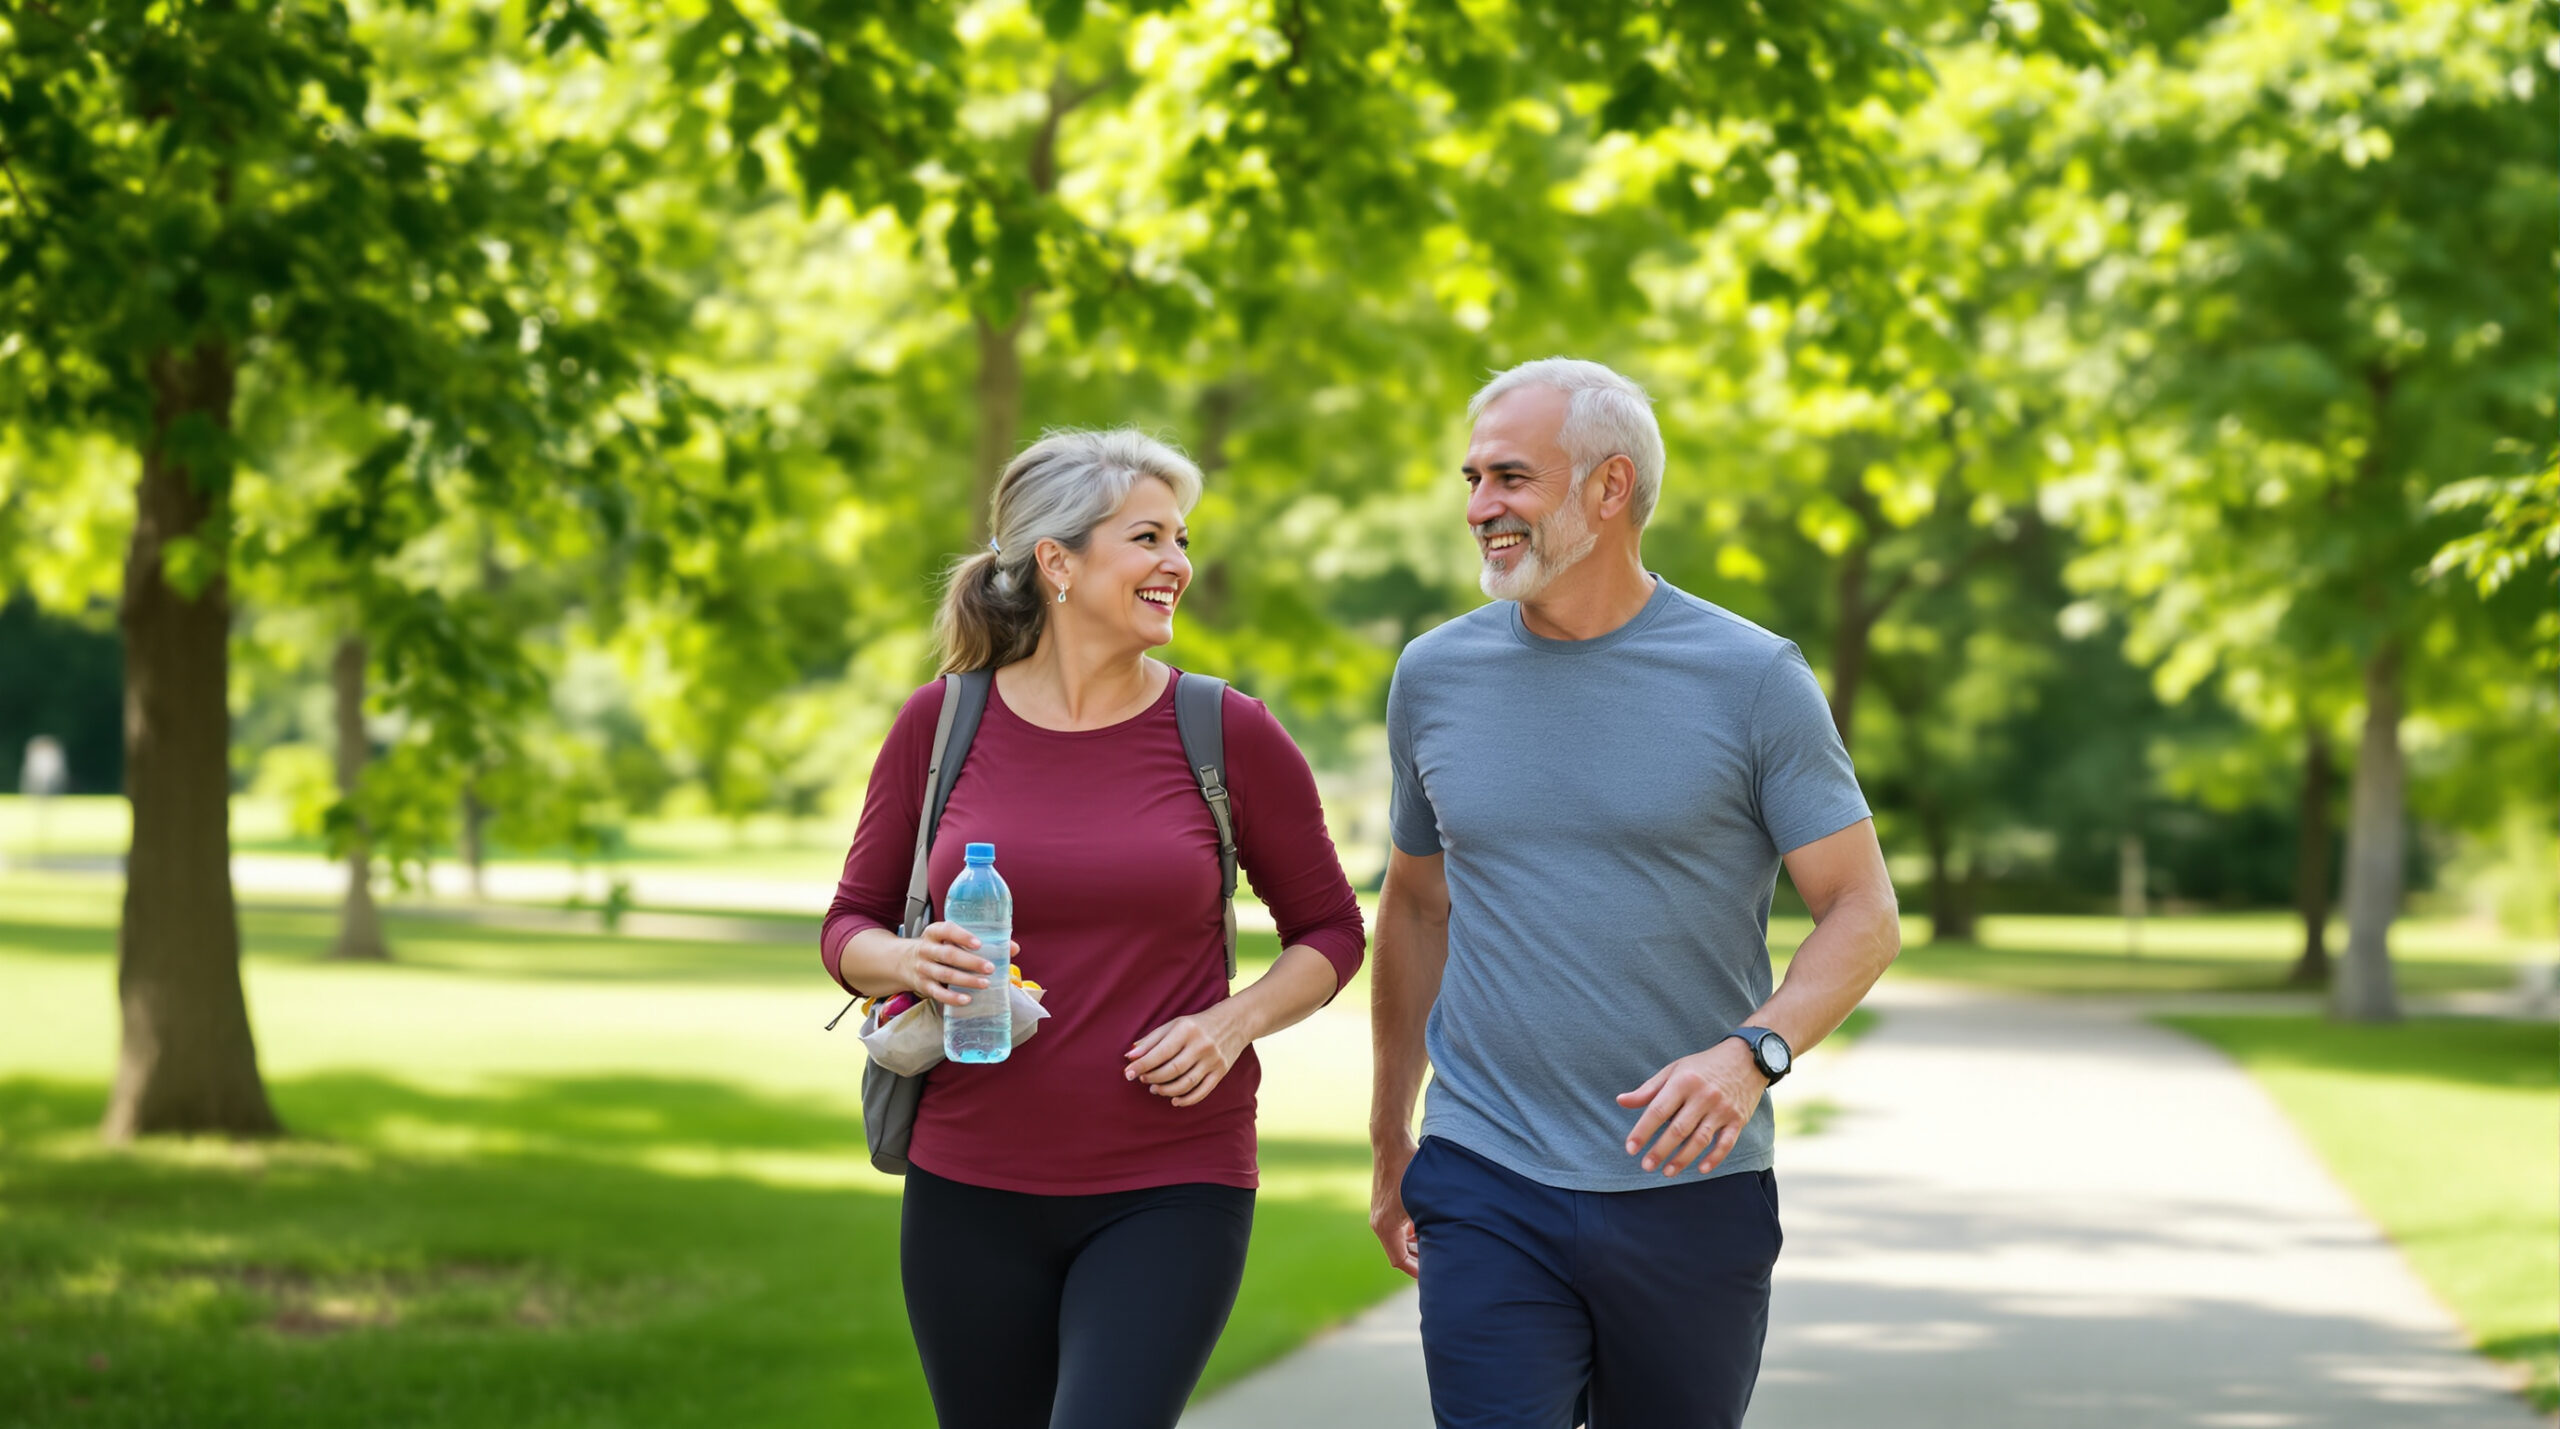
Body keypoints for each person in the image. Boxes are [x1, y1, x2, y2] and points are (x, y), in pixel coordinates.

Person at [1368, 359, 1901, 1429]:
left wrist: (1753, 1054)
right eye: (1472, 479)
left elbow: (1862, 911)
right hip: (1485, 1171)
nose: (1480, 508)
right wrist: (1392, 1138)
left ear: (1609, 489)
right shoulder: (1433, 675)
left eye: (1510, 477)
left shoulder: (1753, 679)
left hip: (1689, 1192)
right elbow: (1417, 909)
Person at [823, 428, 1366, 1429]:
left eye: (1181, 538)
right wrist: (907, 955)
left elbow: (1331, 932)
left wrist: (1230, 1023)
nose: (1178, 566)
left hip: (1171, 1180)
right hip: (968, 1179)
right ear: (1058, 563)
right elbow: (846, 926)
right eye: (1148, 538)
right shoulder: (941, 723)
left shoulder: (1225, 730)